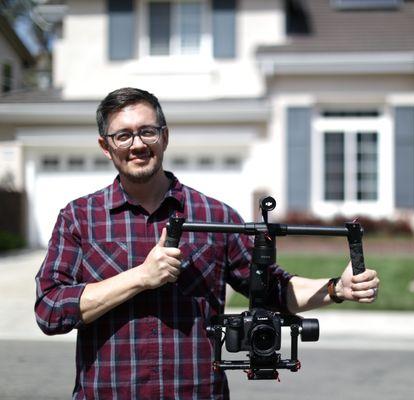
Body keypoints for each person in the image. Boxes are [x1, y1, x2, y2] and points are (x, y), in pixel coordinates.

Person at [34, 87, 380, 399]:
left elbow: (272, 290)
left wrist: (337, 288)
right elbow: (50, 310)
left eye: (147, 131)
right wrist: (140, 277)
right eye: (123, 135)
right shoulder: (80, 217)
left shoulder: (214, 216)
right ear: (105, 146)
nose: (137, 144)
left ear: (165, 137)